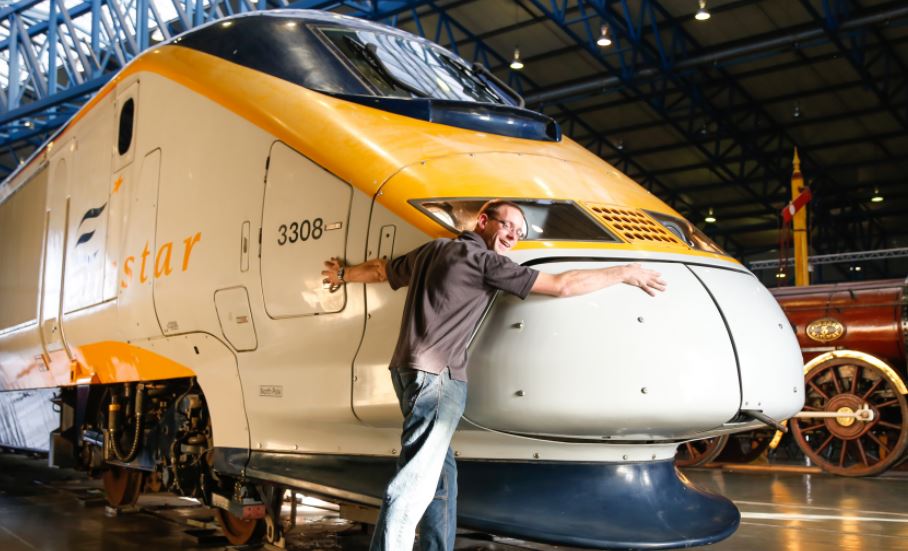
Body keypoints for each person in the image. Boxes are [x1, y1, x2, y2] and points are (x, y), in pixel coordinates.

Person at [321, 200, 666, 551]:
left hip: (407, 371)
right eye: (508, 226)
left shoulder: (433, 250)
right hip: (439, 377)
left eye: (520, 233)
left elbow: (382, 271)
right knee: (415, 482)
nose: (513, 236)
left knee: (441, 477)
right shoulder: (485, 262)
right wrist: (624, 272)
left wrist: (342, 275)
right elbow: (562, 285)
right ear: (483, 221)